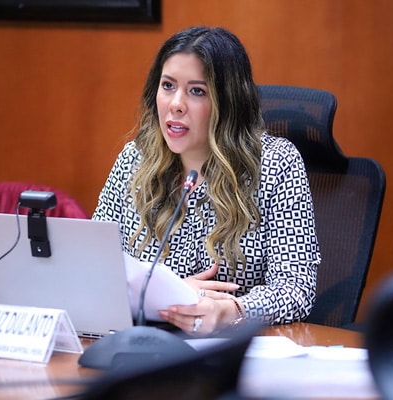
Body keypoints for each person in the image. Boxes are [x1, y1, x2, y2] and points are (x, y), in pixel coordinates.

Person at [92, 26, 320, 336]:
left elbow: (296, 288)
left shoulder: (275, 164)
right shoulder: (135, 159)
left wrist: (232, 310)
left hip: (234, 347)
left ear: (228, 102)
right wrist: (170, 294)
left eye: (197, 91)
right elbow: (95, 268)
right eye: (168, 86)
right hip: (145, 344)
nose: (176, 104)